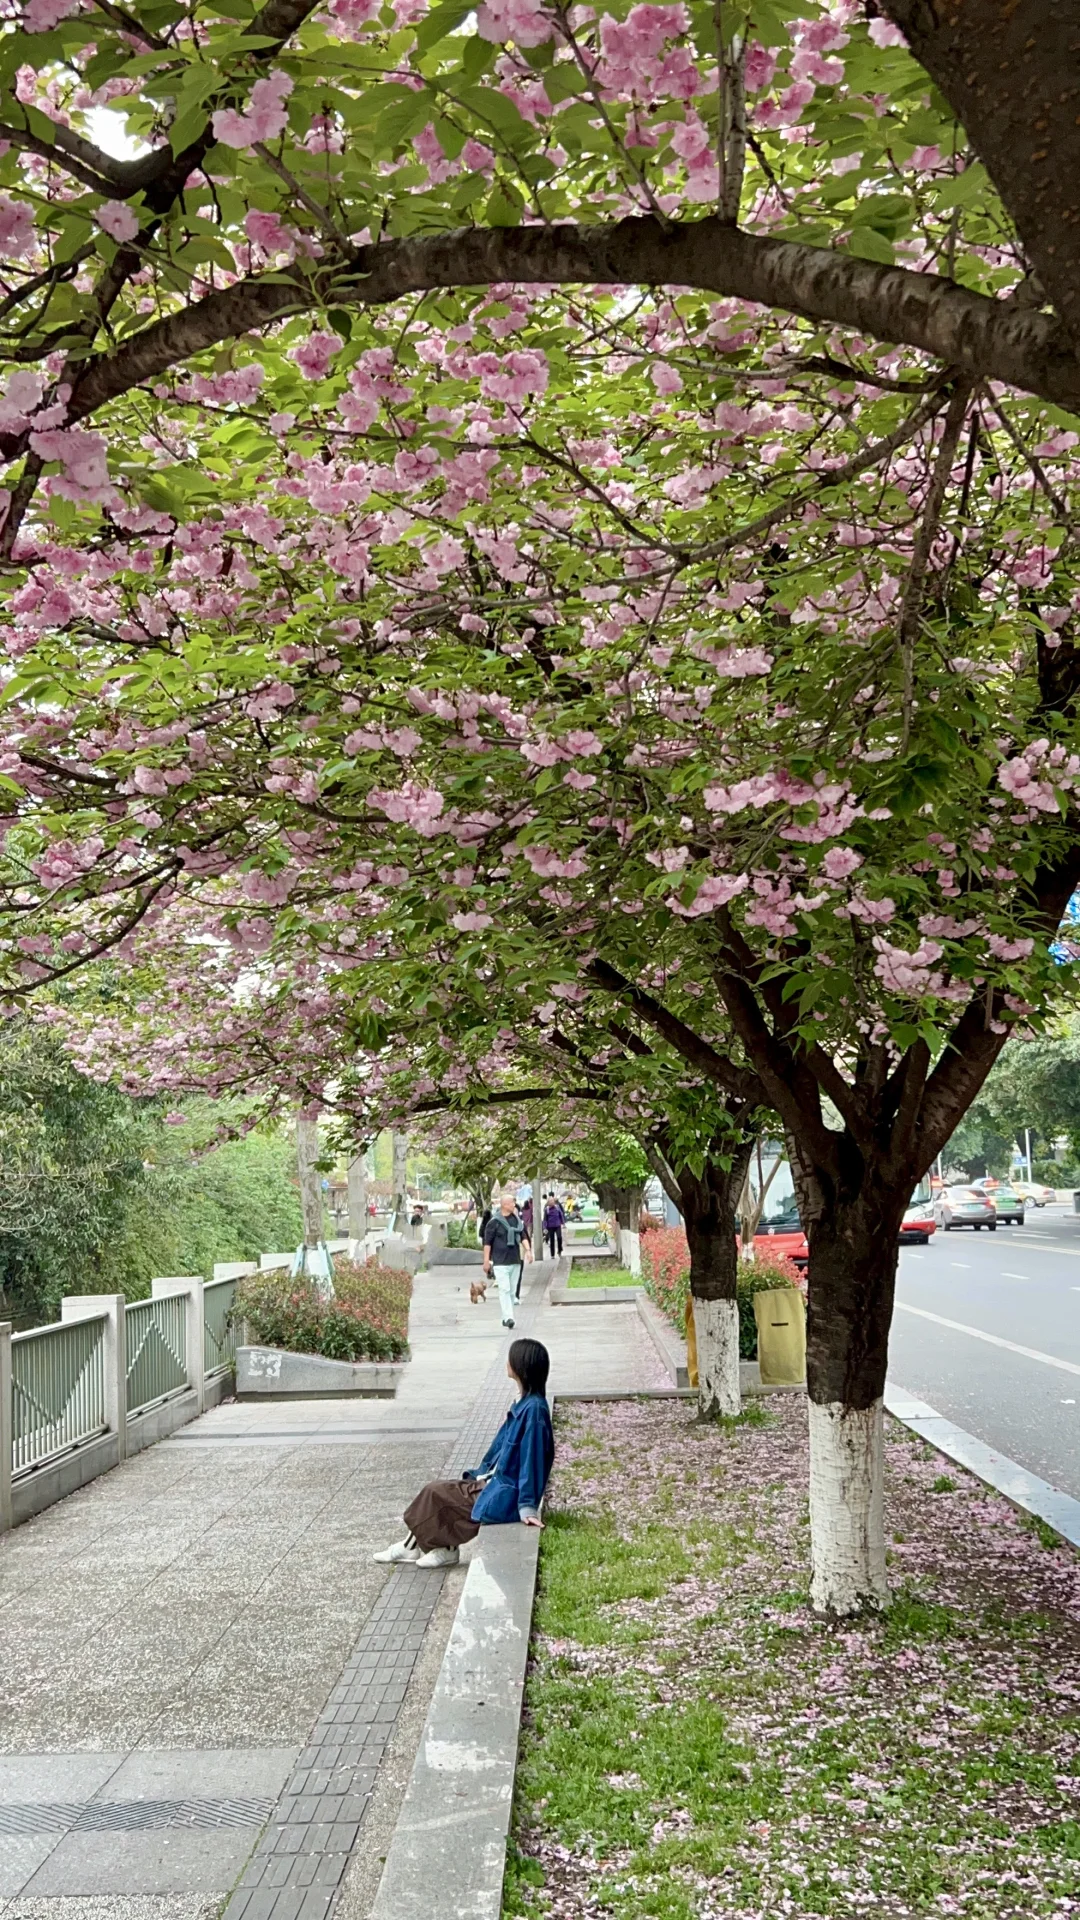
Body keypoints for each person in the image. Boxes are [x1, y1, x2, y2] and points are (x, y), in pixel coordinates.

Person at [373, 1339, 554, 1568]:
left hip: (504, 1494)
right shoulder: (526, 1402)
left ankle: (425, 1549)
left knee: (436, 1493)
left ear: (521, 1365)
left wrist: (527, 1505)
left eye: (511, 1356)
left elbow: (533, 1460)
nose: (507, 1361)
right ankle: (429, 1548)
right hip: (494, 1483)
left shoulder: (534, 1409)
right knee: (439, 1492)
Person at [482, 1191, 532, 1326]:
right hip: (500, 1261)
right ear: (504, 1205)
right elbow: (487, 1243)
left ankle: (506, 1317)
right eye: (512, 1203)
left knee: (512, 1290)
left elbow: (523, 1236)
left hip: (515, 1259)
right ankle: (509, 1318)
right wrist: (486, 1261)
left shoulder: (516, 1220)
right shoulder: (494, 1222)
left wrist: (528, 1251)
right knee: (504, 1288)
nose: (514, 1205)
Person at [542, 1192, 566, 1259]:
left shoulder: (557, 1207)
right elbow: (545, 1219)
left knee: (559, 1237)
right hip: (550, 1227)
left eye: (553, 1201)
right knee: (552, 1240)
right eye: (551, 1201)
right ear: (548, 1202)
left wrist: (563, 1223)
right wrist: (544, 1228)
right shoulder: (546, 1209)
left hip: (557, 1225)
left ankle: (560, 1250)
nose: (552, 1202)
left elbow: (561, 1215)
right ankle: (552, 1254)